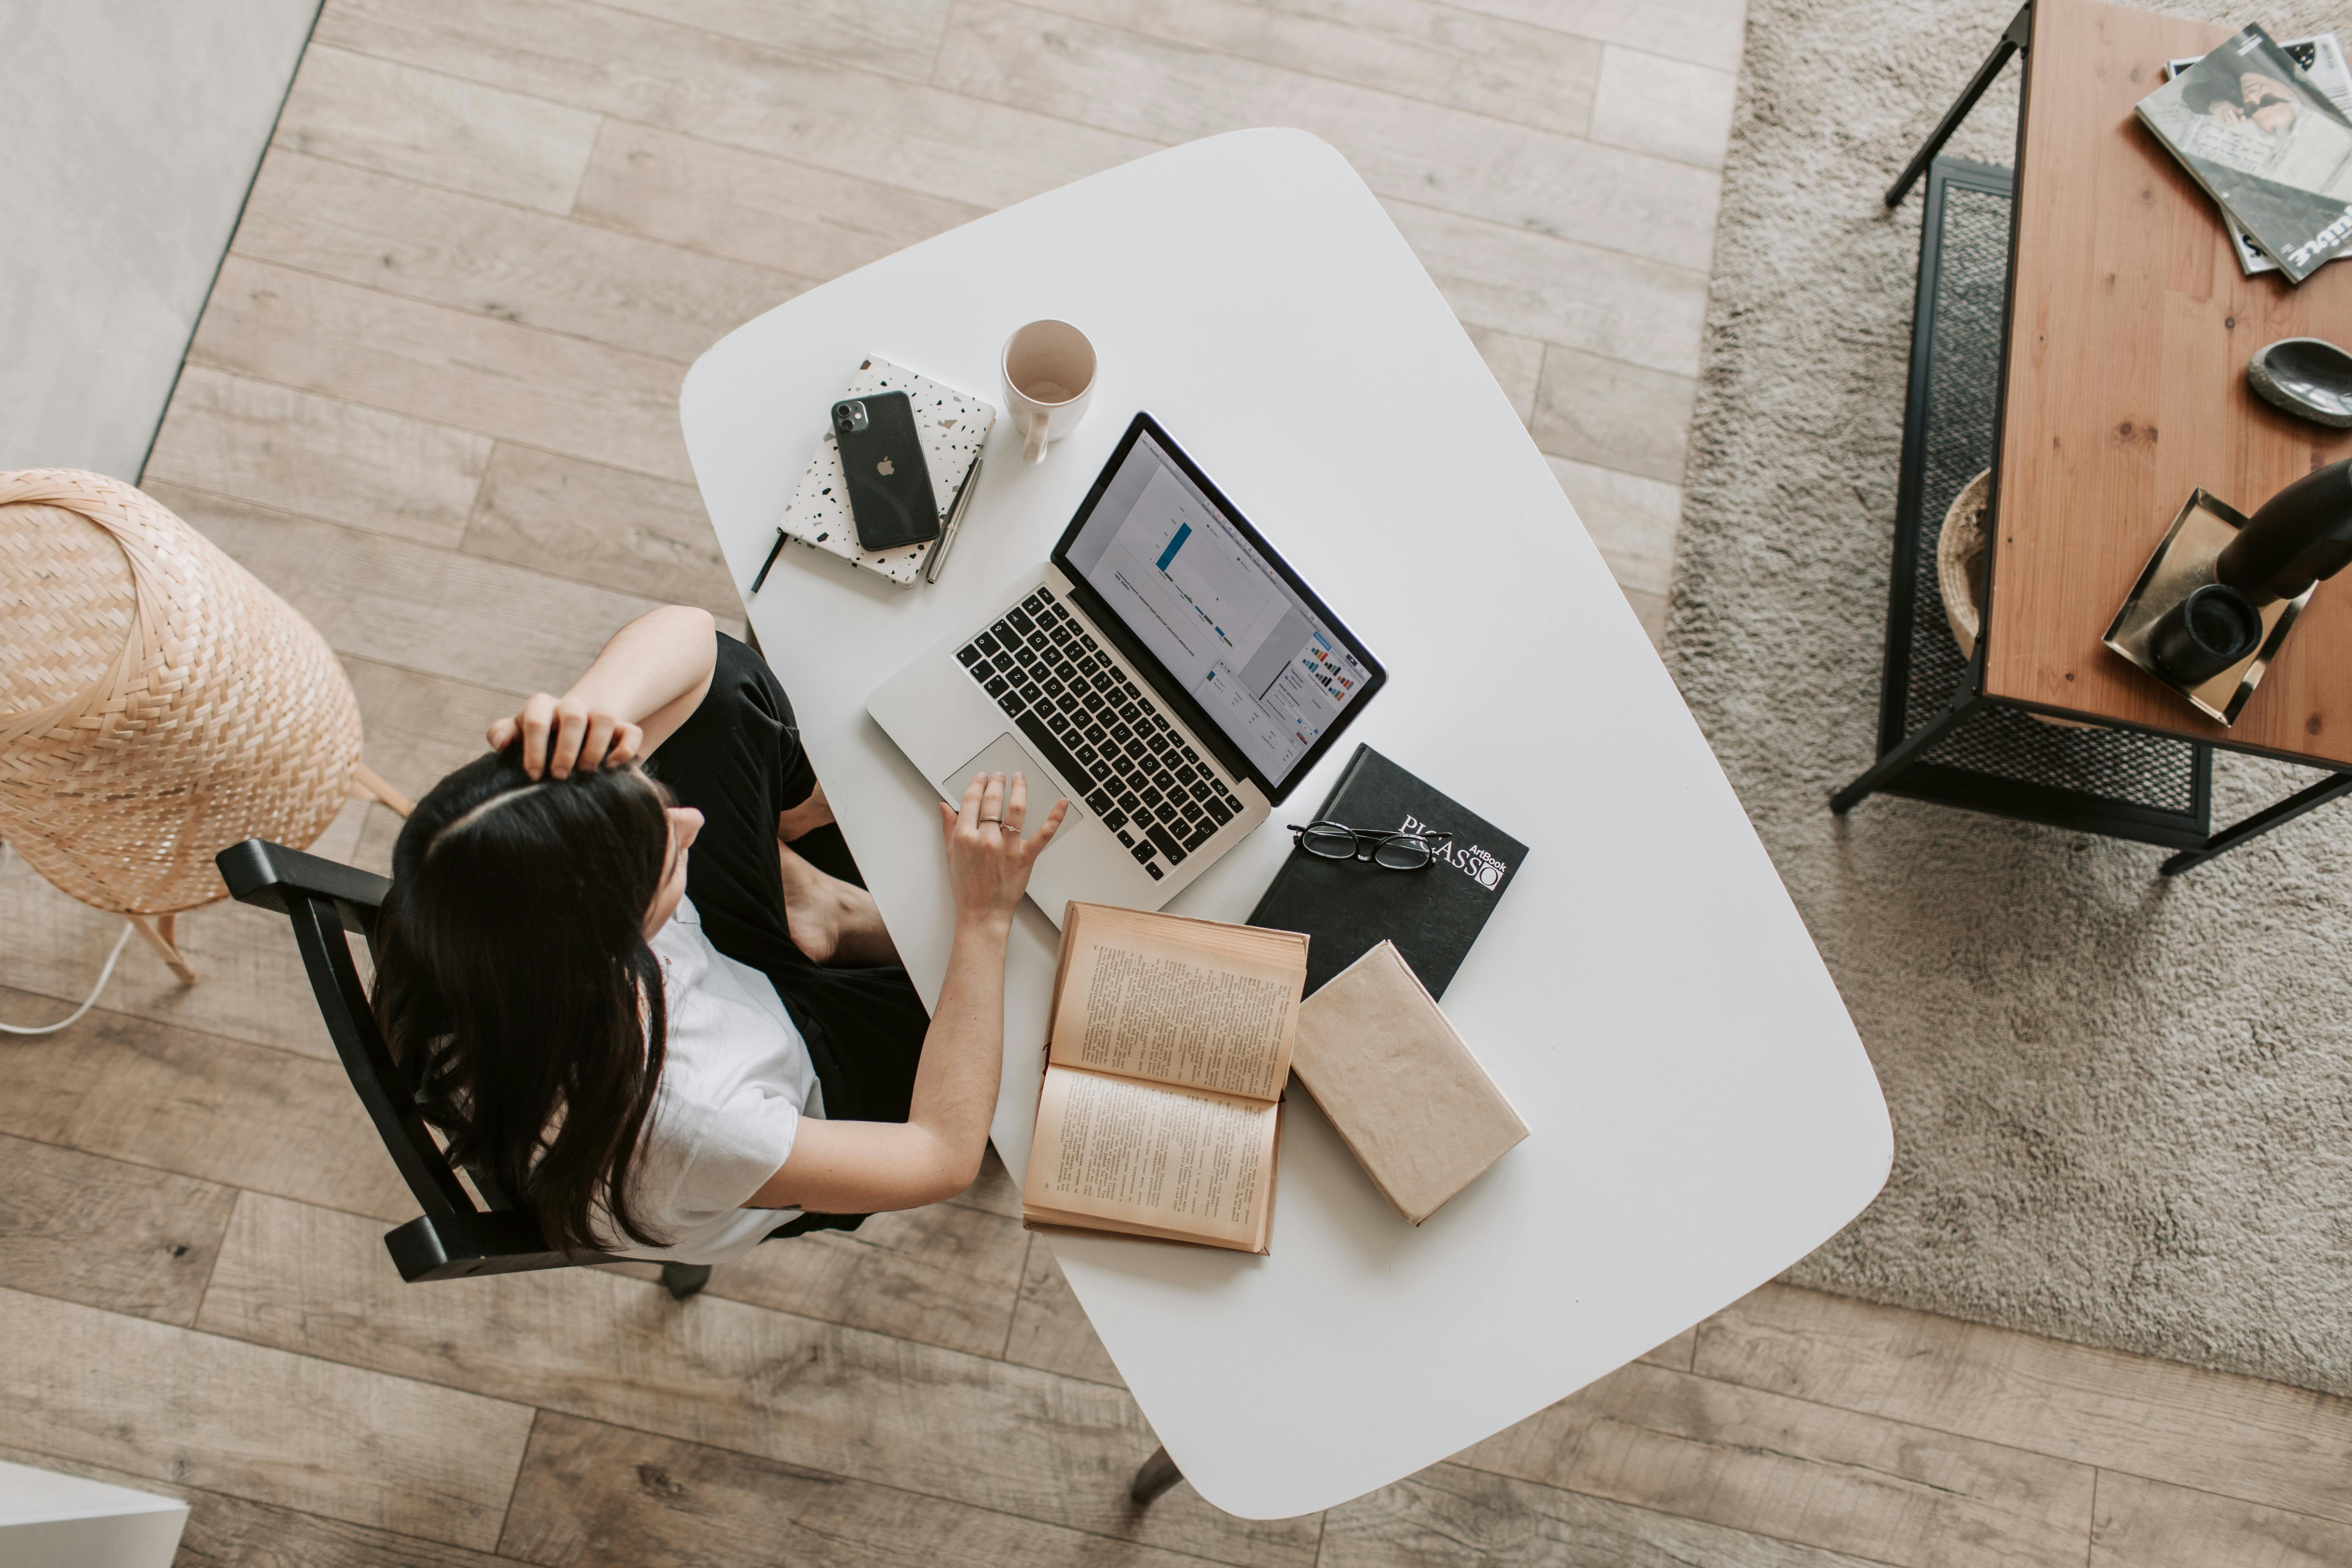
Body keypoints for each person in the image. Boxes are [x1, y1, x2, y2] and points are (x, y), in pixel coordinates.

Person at [369, 605, 1066, 1264]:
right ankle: (835, 915)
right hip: (802, 1086)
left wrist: (591, 711)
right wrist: (982, 917)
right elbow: (940, 1155)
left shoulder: (463, 890)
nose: (691, 825)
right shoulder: (700, 1123)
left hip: (710, 989)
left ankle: (820, 910)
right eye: (665, 851)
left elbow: (696, 643)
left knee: (728, 688)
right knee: (1037, 1001)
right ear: (618, 946)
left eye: (651, 803)